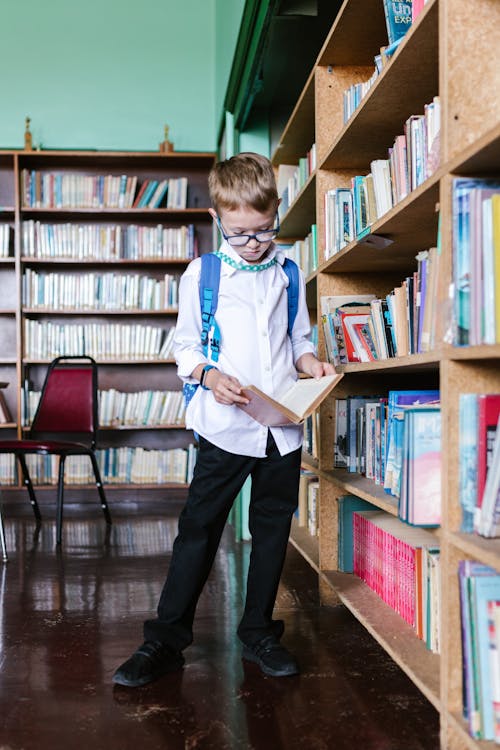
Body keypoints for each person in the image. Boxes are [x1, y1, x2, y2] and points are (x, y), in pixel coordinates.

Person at [113, 152, 336, 688]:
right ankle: (165, 640)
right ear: (217, 220)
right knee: (199, 529)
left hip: (280, 426)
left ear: (276, 212)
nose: (255, 243)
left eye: (264, 230)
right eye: (240, 234)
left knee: (271, 530)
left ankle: (259, 631)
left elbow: (298, 340)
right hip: (225, 427)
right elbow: (185, 347)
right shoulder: (203, 274)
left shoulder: (287, 271)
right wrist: (212, 378)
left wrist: (311, 363)